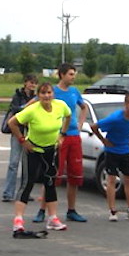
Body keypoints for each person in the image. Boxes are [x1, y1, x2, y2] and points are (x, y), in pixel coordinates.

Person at [7, 81, 71, 232]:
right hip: (33, 150)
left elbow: (68, 116)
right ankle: (18, 220)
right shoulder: (32, 110)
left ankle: (53, 218)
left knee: (50, 182)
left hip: (51, 150)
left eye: (49, 92)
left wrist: (62, 134)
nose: (46, 96)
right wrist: (22, 140)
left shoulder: (60, 106)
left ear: (53, 94)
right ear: (38, 95)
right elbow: (12, 123)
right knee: (28, 183)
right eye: (43, 93)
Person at [33, 64, 89, 223]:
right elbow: (35, 105)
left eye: (74, 74)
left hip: (73, 136)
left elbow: (83, 107)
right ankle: (42, 210)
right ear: (62, 75)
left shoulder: (74, 91)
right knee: (52, 174)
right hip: (57, 137)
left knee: (74, 174)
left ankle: (71, 210)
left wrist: (80, 124)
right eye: (70, 74)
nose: (73, 77)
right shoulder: (52, 92)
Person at [91, 93, 129, 221]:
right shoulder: (115, 118)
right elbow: (94, 127)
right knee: (111, 179)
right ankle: (112, 210)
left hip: (126, 150)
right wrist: (103, 141)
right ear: (126, 104)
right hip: (112, 150)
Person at [2, 74, 38, 202]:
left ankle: (24, 192)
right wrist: (27, 106)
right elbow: (15, 109)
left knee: (27, 165)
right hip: (17, 131)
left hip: (31, 133)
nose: (33, 85)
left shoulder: (36, 98)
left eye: (35, 83)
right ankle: (8, 193)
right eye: (31, 82)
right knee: (14, 162)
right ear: (25, 83)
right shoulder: (18, 95)